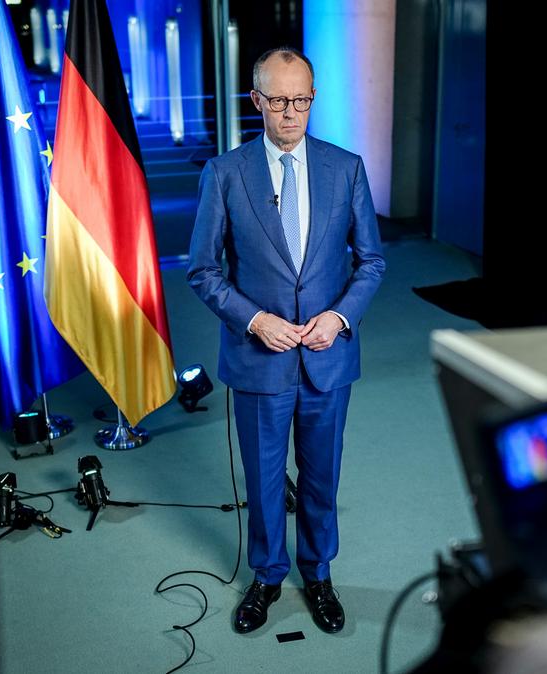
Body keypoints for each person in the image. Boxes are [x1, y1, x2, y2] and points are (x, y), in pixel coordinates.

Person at [186, 46, 386, 635]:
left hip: (328, 357)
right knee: (266, 479)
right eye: (278, 101)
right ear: (257, 100)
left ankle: (318, 574)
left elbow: (371, 262)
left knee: (321, 478)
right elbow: (203, 270)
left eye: (301, 100)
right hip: (259, 359)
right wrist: (254, 320)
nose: (291, 112)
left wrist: (339, 318)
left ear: (312, 99)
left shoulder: (346, 168)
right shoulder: (224, 173)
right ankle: (268, 576)